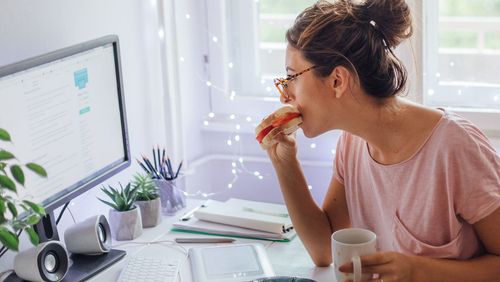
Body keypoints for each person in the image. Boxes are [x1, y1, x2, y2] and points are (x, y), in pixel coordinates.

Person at [265, 0, 500, 281]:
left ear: (337, 80)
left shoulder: (455, 147)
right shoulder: (351, 144)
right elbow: (325, 249)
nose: (284, 95)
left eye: (292, 77)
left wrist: (417, 270)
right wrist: (284, 164)